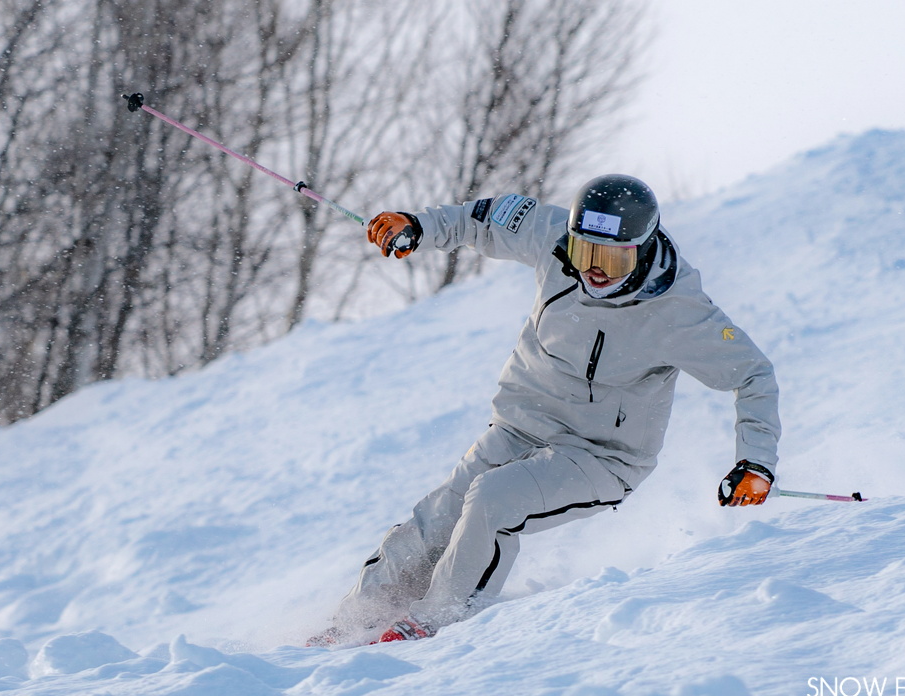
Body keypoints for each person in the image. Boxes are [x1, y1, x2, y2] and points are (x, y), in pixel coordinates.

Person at [308, 175, 780, 647]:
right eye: (585, 253)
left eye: (612, 258)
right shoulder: (550, 232)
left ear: (641, 249)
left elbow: (753, 375)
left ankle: (434, 623)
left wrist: (755, 462)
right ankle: (353, 621)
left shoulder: (680, 310)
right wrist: (417, 225)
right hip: (522, 423)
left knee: (493, 499)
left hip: (601, 456)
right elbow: (481, 220)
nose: (596, 271)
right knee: (435, 520)